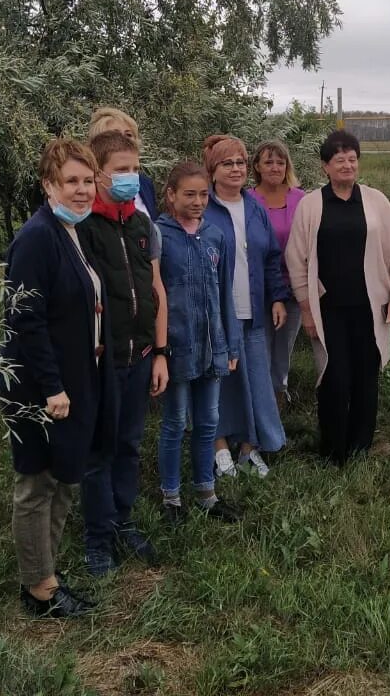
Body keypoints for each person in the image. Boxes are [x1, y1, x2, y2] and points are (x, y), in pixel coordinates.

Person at [0, 138, 111, 618]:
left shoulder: (69, 231)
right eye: (72, 182)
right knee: (37, 484)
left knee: (65, 476)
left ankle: (48, 571)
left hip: (74, 375)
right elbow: (27, 320)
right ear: (49, 185)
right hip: (41, 384)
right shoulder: (37, 236)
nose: (83, 190)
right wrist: (51, 388)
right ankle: (39, 588)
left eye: (88, 181)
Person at [75, 131, 169, 575]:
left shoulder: (140, 225)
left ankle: (123, 521)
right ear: (98, 175)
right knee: (100, 450)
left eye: (136, 169)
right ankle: (97, 537)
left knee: (130, 443)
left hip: (142, 353)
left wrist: (161, 351)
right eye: (120, 171)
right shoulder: (83, 228)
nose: (131, 178)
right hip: (102, 361)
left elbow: (154, 288)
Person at [286, 130, 390, 464]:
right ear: (325, 166)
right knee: (334, 376)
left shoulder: (376, 201)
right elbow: (296, 261)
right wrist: (307, 313)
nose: (347, 164)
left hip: (371, 307)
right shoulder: (311, 205)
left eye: (352, 158)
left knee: (366, 376)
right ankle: (333, 449)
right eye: (339, 159)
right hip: (329, 310)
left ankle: (360, 445)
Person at [154, 162, 242, 523]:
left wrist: (231, 344)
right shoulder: (159, 234)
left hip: (213, 345)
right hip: (176, 347)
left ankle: (206, 491)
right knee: (175, 421)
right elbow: (154, 295)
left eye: (203, 194)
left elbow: (226, 294)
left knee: (208, 421)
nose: (197, 201)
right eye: (189, 194)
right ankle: (171, 497)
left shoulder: (216, 235)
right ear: (171, 195)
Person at [203, 134, 289, 478]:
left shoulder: (254, 207)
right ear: (213, 170)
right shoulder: (203, 206)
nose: (236, 168)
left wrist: (278, 297)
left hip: (252, 311)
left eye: (240, 162)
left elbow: (270, 257)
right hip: (216, 314)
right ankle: (218, 446)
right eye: (227, 163)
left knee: (256, 379)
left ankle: (251, 446)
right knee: (220, 381)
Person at [247, 140, 308, 407]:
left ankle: (279, 392)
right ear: (257, 166)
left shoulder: (300, 198)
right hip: (259, 286)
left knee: (284, 344)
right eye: (269, 162)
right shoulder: (247, 199)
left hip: (293, 283)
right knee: (261, 344)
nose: (275, 167)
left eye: (280, 162)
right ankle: (258, 397)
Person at [88, 106, 158, 216]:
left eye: (128, 135)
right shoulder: (85, 193)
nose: (123, 140)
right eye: (115, 135)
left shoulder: (145, 184)